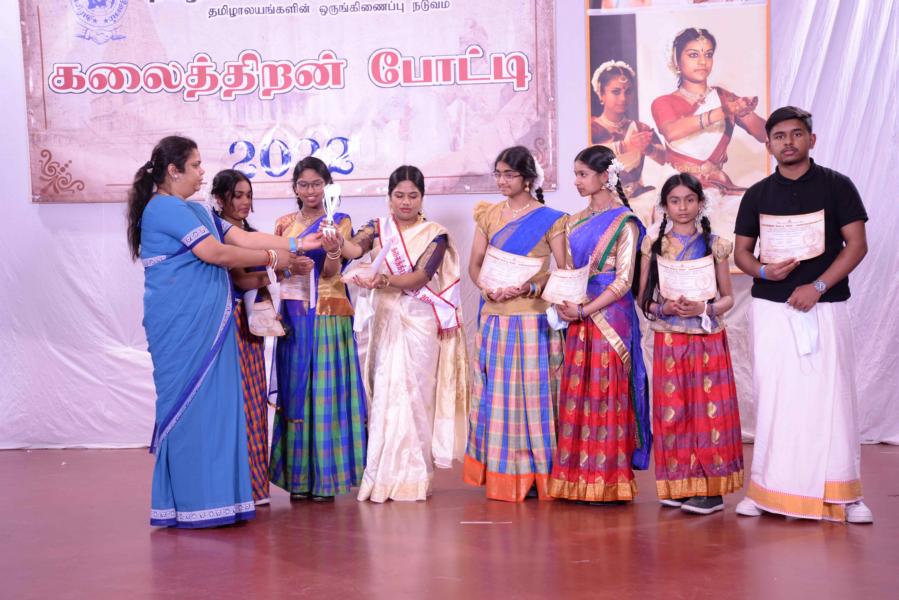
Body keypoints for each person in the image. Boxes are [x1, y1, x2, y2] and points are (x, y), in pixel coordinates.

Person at [128, 136, 317, 528]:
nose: (202, 172)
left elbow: (241, 237)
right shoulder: (163, 208)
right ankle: (192, 503)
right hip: (183, 324)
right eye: (195, 165)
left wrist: (299, 241)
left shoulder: (194, 210)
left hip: (211, 325)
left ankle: (219, 501)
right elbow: (216, 254)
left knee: (219, 408)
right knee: (191, 409)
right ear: (173, 171)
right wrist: (274, 258)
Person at [733, 106, 871, 523]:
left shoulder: (837, 185)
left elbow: (857, 245)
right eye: (779, 136)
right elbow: (742, 253)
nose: (788, 142)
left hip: (826, 305)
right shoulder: (757, 194)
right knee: (776, 397)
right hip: (771, 309)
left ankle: (844, 494)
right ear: (768, 144)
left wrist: (818, 287)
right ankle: (765, 489)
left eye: (796, 134)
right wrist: (763, 271)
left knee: (833, 397)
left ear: (812, 139)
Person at [339, 165, 470, 502]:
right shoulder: (377, 227)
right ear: (389, 197)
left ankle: (414, 477)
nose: (406, 202)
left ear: (422, 198)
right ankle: (381, 476)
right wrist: (337, 242)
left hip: (419, 320)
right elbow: (354, 250)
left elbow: (421, 277)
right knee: (385, 392)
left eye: (413, 195)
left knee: (414, 396)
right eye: (399, 195)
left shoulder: (435, 234)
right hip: (384, 317)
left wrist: (381, 279)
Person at [545, 145, 651, 503]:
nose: (576, 181)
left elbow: (624, 281)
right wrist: (563, 304)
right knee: (579, 391)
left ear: (605, 176)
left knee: (606, 393)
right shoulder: (573, 221)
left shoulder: (626, 222)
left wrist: (585, 309)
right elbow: (568, 272)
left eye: (583, 174)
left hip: (610, 317)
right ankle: (575, 479)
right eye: (575, 174)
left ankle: (608, 481)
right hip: (577, 315)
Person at [464, 146, 567, 502]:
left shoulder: (551, 219)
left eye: (510, 174)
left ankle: (541, 474)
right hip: (496, 317)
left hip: (534, 320)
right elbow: (475, 265)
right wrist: (487, 288)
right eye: (498, 174)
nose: (502, 181)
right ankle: (505, 473)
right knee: (500, 398)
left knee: (536, 398)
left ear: (528, 178)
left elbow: (564, 271)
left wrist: (531, 287)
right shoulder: (489, 215)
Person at [637, 172, 743, 515]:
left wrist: (703, 309)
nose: (682, 207)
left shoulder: (715, 245)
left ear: (700, 203)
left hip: (706, 339)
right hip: (669, 339)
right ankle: (679, 484)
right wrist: (663, 308)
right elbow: (643, 299)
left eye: (689, 200)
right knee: (673, 413)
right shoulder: (654, 246)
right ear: (665, 206)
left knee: (708, 413)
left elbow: (728, 298)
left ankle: (710, 491)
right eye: (675, 201)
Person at [268, 157, 367, 502]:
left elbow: (330, 273)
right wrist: (289, 266)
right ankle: (298, 479)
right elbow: (274, 270)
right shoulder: (283, 224)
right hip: (295, 315)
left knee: (325, 393)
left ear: (327, 186)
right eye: (304, 184)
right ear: (295, 188)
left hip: (328, 314)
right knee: (296, 391)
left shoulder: (339, 221)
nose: (310, 191)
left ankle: (326, 479)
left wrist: (333, 250)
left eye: (317, 184)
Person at [212, 169, 307, 507]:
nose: (244, 201)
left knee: (253, 400)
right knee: (236, 401)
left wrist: (285, 270)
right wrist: (280, 269)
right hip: (231, 323)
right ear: (220, 198)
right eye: (237, 195)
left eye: (248, 195)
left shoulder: (250, 234)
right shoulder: (221, 235)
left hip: (253, 323)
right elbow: (241, 280)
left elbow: (264, 276)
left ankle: (254, 487)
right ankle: (235, 487)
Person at [651, 27, 766, 194]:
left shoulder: (723, 97)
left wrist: (745, 112)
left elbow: (764, 135)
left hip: (717, 186)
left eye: (708, 54)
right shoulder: (663, 102)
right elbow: (672, 131)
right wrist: (723, 111)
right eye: (693, 55)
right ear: (676, 60)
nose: (703, 62)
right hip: (678, 187)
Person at [590, 60, 666, 225]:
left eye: (628, 91)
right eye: (616, 92)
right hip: (603, 199)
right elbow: (590, 155)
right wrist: (625, 146)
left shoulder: (639, 128)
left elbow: (664, 158)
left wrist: (649, 149)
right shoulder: (590, 127)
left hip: (639, 199)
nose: (623, 98)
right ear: (601, 94)